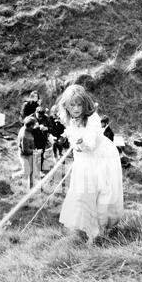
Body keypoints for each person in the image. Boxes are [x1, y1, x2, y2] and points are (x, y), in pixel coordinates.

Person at [58, 84, 124, 242]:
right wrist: (73, 141)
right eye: (72, 104)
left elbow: (90, 144)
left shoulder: (92, 118)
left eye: (79, 104)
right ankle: (87, 230)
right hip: (83, 161)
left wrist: (80, 143)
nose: (76, 108)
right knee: (81, 194)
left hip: (100, 158)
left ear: (85, 103)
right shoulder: (70, 118)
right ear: (66, 105)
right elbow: (76, 141)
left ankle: (97, 234)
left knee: (100, 195)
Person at [16, 115, 36, 188]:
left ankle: (31, 187)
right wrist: (35, 151)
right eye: (33, 125)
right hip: (24, 155)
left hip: (29, 153)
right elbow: (26, 150)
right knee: (26, 172)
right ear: (30, 125)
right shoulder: (25, 135)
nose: (34, 126)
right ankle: (13, 177)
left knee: (32, 170)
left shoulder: (25, 128)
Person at [32, 106, 50, 176]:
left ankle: (39, 170)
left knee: (41, 154)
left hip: (42, 139)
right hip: (33, 139)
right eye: (39, 116)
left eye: (41, 116)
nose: (40, 118)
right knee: (34, 154)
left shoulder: (46, 118)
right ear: (36, 112)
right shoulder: (31, 117)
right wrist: (33, 128)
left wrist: (46, 128)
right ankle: (32, 168)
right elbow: (24, 127)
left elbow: (51, 128)